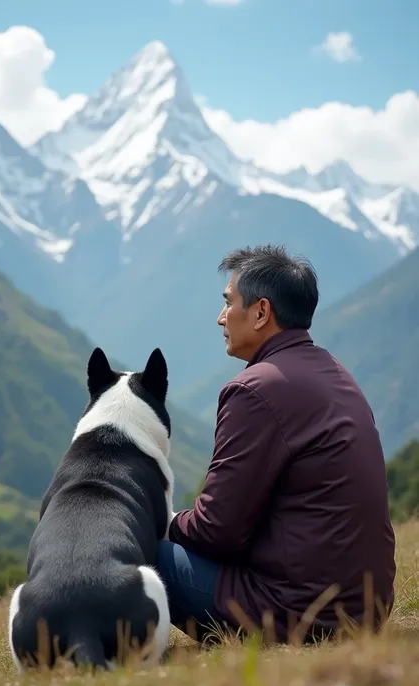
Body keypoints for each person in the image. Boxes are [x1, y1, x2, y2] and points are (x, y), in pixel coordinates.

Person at [156, 244, 396, 645]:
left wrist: (162, 521)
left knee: (138, 547)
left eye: (228, 303)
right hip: (365, 610)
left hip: (299, 614)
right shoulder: (337, 374)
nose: (220, 318)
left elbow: (217, 530)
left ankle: (103, 652)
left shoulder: (254, 390)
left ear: (261, 312)